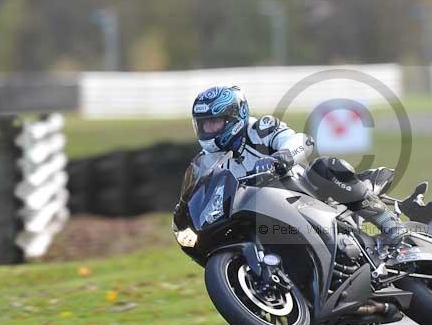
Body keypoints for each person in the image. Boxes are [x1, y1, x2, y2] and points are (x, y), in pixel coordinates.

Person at [175, 84, 408, 254]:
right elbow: (200, 190)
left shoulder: (260, 129)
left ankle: (390, 224)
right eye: (203, 124)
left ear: (235, 117)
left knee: (323, 167)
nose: (208, 129)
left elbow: (302, 141)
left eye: (214, 122)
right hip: (262, 214)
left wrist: (281, 158)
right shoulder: (208, 159)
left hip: (305, 195)